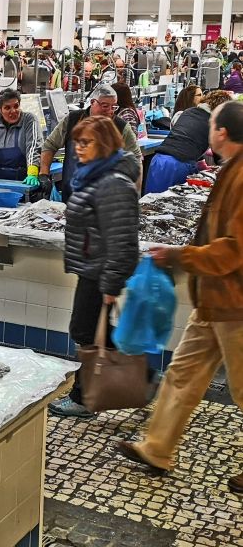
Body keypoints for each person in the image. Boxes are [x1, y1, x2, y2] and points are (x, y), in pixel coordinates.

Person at [117, 101, 243, 492]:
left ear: (220, 132)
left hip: (236, 305)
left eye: (211, 126)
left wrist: (180, 256)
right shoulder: (230, 170)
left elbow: (234, 249)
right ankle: (158, 447)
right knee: (182, 375)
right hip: (213, 300)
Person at [48, 115, 141, 417]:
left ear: (103, 143)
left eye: (85, 142)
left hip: (101, 272)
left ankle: (84, 398)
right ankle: (137, 376)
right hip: (91, 268)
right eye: (76, 142)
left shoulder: (113, 182)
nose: (78, 148)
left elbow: (124, 240)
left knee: (85, 332)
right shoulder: (94, 175)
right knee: (89, 331)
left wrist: (112, 283)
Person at [39, 84, 141, 202]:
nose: (110, 111)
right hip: (71, 197)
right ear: (93, 102)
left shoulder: (121, 127)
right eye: (105, 106)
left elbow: (136, 159)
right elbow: (50, 145)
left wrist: (135, 194)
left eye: (114, 107)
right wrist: (44, 173)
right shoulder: (73, 120)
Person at [144, 90, 232, 194]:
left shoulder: (189, 111)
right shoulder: (214, 121)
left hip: (158, 160)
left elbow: (189, 137)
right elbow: (218, 152)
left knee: (150, 204)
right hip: (179, 164)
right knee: (173, 204)